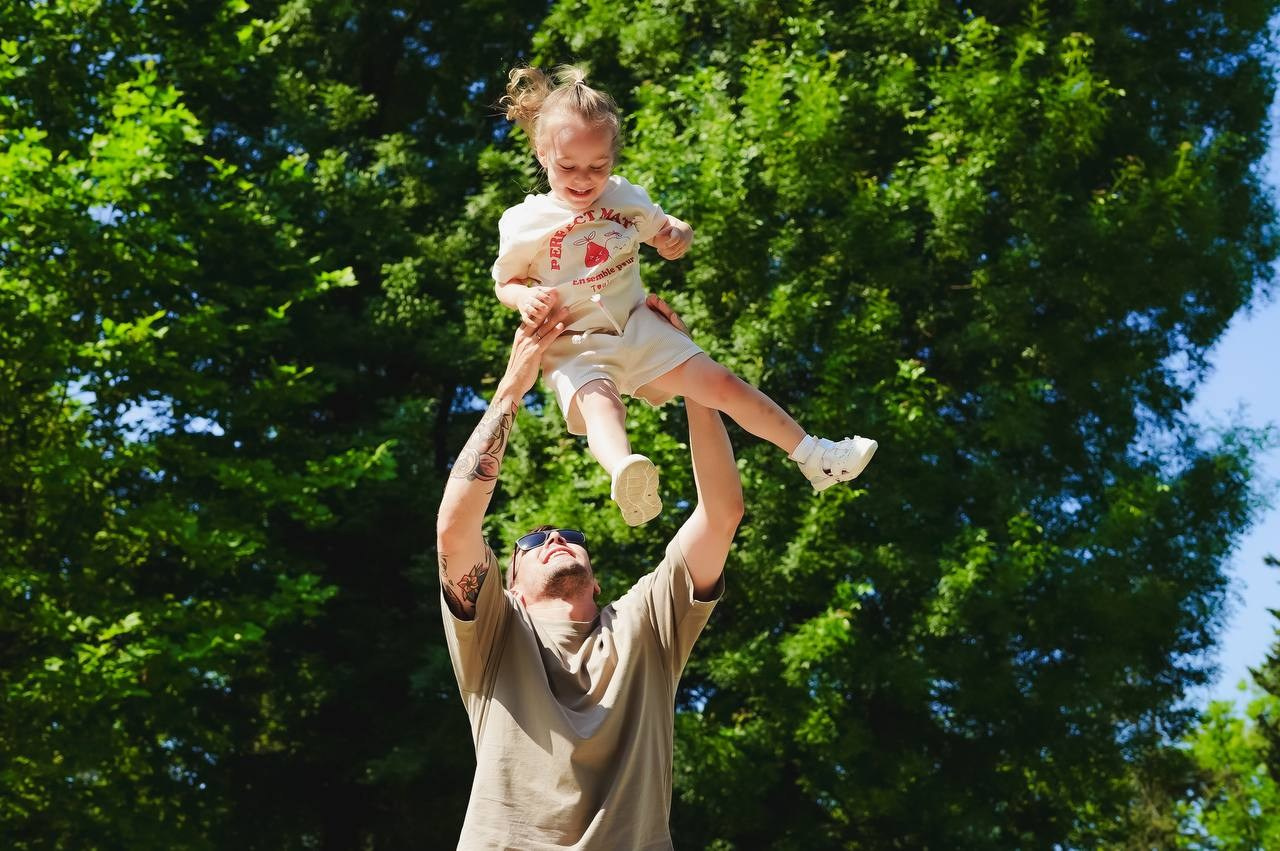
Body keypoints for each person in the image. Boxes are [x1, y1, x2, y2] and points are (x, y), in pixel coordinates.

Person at [492, 64, 877, 526]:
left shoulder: (625, 197)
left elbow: (669, 229)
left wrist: (679, 236)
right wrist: (522, 299)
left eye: (598, 166)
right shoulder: (523, 221)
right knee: (600, 403)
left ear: (613, 159)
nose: (583, 179)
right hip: (575, 342)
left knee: (720, 383)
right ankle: (625, 473)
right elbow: (505, 282)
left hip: (638, 324)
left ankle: (813, 455)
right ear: (541, 154)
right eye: (568, 166)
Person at [437, 296, 743, 850]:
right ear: (511, 589)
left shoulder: (645, 624)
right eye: (531, 542)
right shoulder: (496, 634)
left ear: (597, 581)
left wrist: (691, 374)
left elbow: (722, 514)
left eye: (570, 537)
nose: (554, 537)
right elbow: (454, 530)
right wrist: (512, 387)